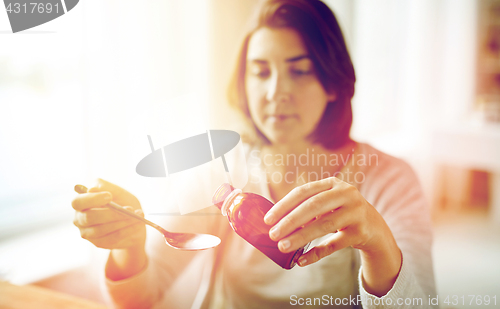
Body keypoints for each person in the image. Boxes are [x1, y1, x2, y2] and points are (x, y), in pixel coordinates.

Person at [71, 0, 437, 308]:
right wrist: (130, 246)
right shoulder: (217, 169)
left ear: (333, 83)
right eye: (260, 72)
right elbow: (140, 297)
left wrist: (376, 243)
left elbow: (419, 301)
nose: (276, 92)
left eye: (300, 71)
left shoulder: (390, 179)